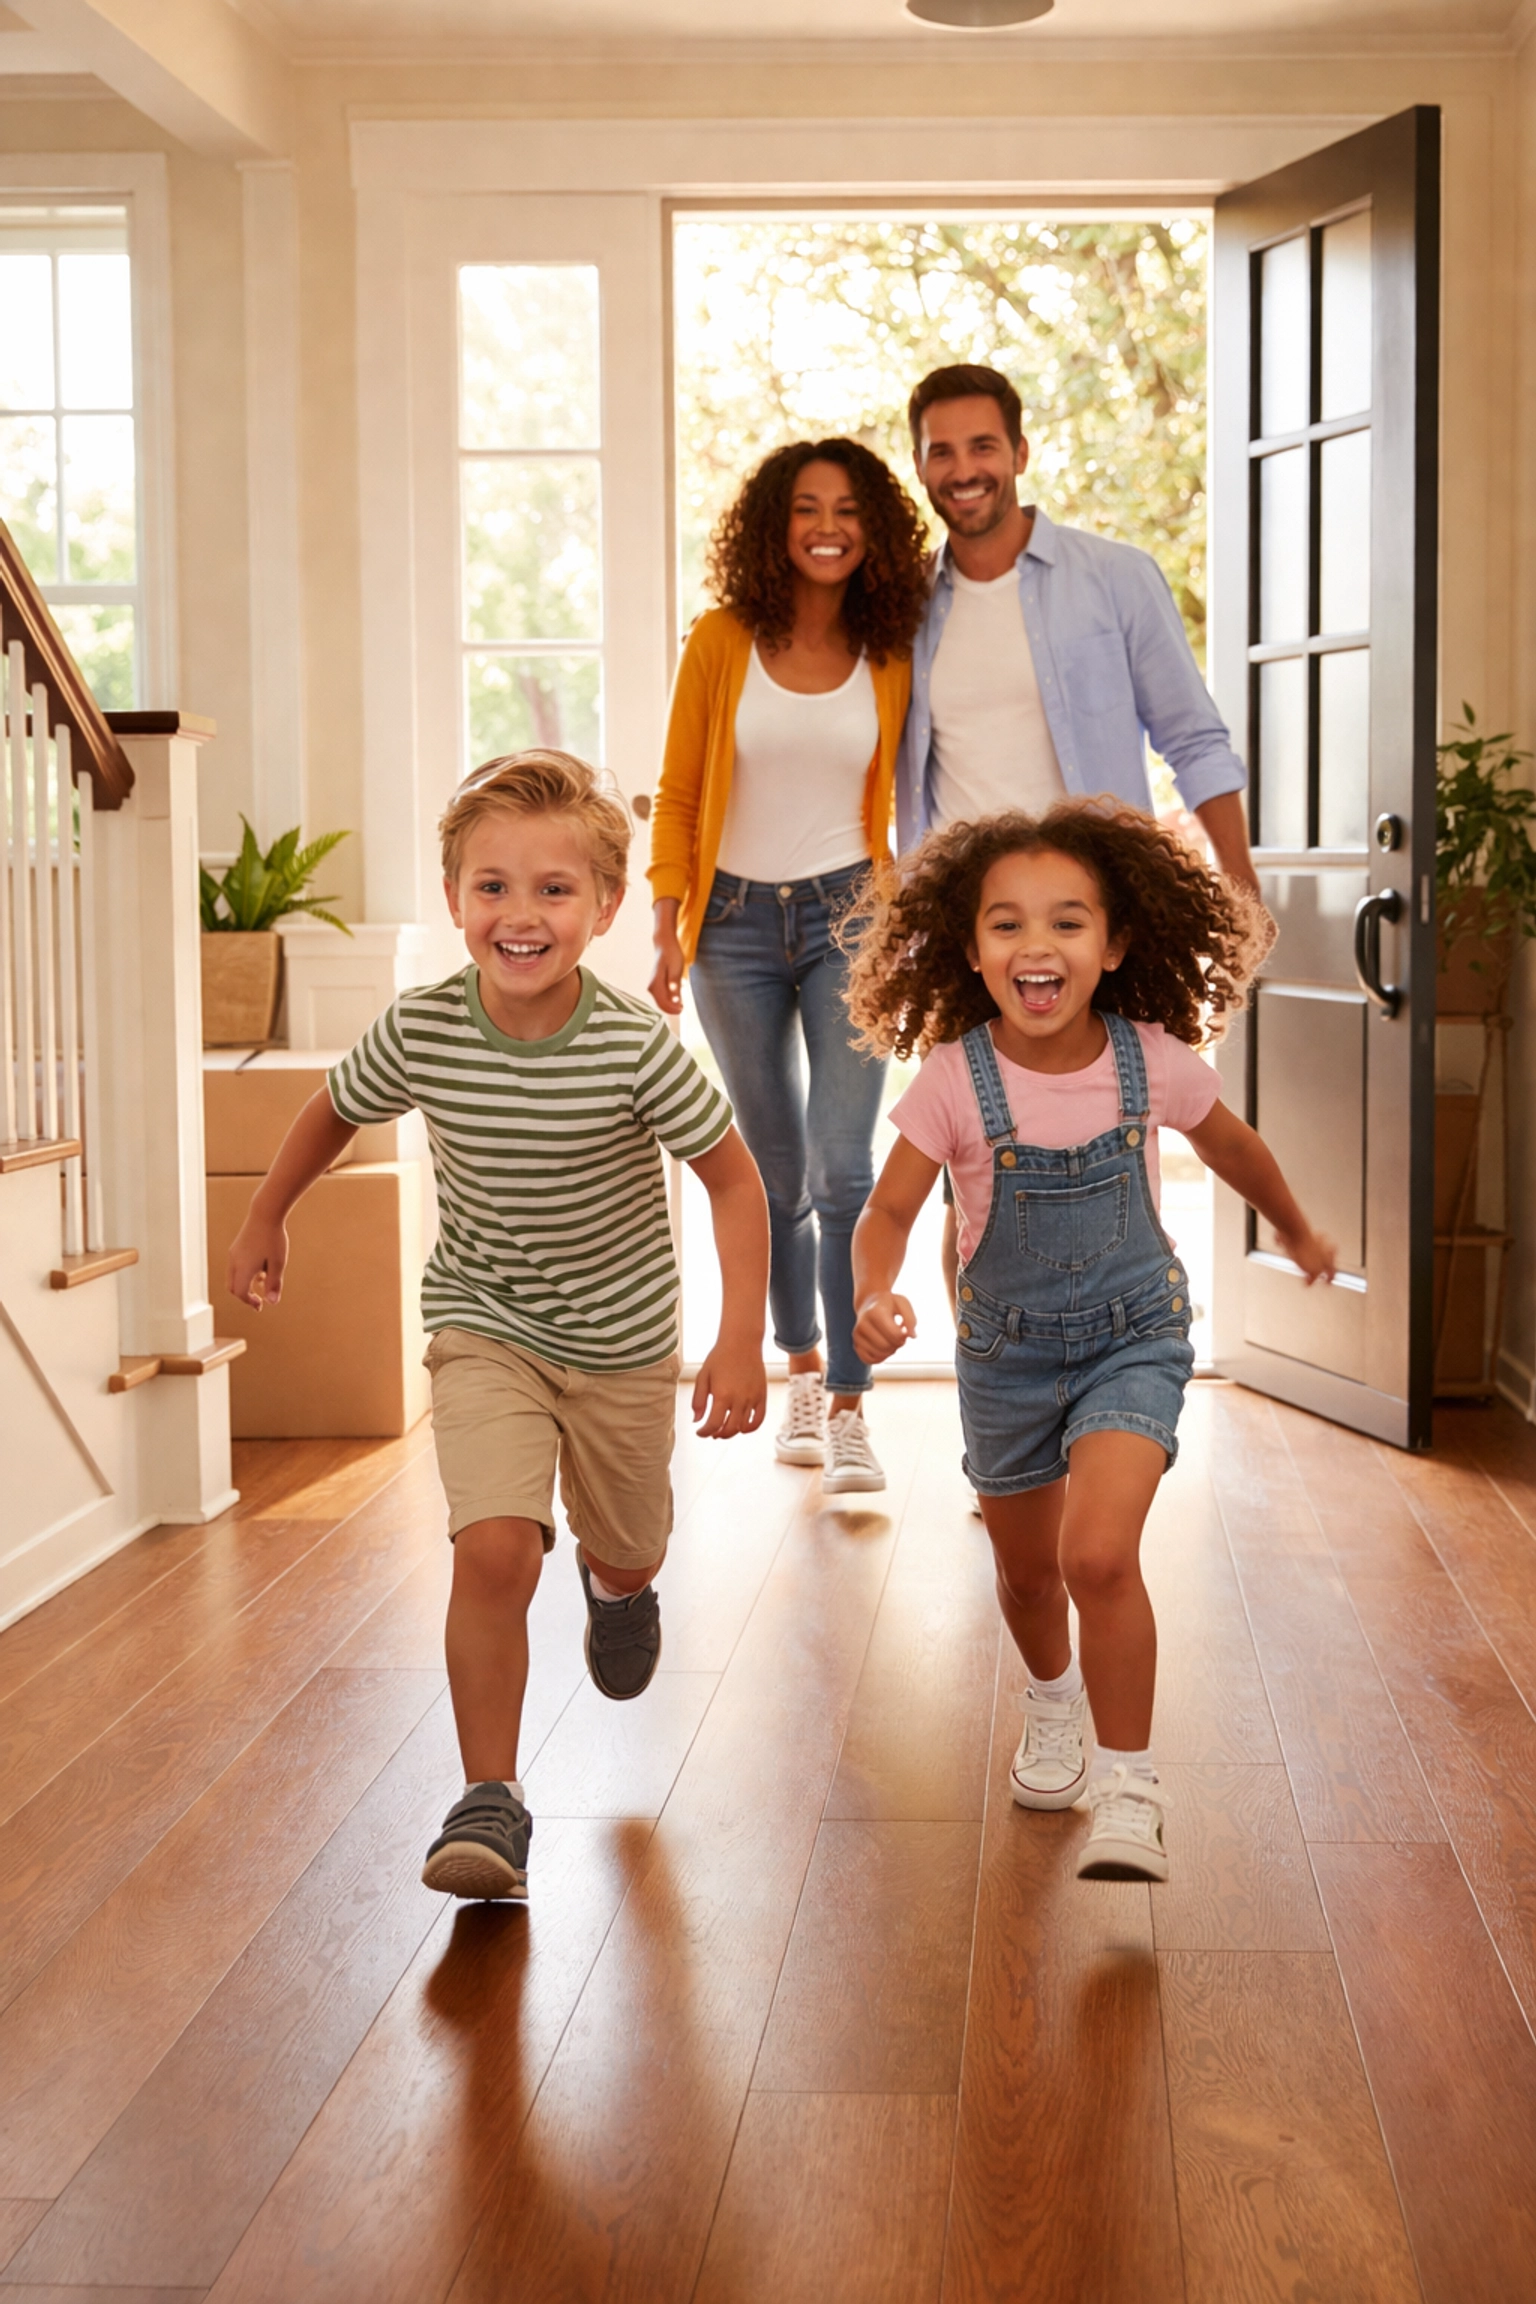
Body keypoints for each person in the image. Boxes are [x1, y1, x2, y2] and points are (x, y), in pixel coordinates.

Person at [227, 751, 769, 1904]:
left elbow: (733, 1180)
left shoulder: (634, 1046)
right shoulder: (425, 1028)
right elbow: (332, 1110)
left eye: (554, 890)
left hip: (621, 1345)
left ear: (605, 908)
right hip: (484, 1324)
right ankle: (490, 1797)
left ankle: (619, 1592)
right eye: (493, 887)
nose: (521, 915)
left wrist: (738, 1338)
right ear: (454, 898)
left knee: (626, 1545)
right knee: (494, 1549)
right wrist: (268, 1212)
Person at [842, 802, 1335, 1883]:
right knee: (1028, 1580)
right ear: (972, 950)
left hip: (1134, 1334)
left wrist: (1295, 1229)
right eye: (1007, 923)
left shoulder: (1149, 1060)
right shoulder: (952, 1078)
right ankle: (1052, 1695)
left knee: (1097, 1556)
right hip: (1006, 1357)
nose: (1038, 944)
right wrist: (874, 1292)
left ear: (1113, 946)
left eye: (1068, 922)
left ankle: (1129, 1789)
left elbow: (1235, 1148)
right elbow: (887, 1212)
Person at [900, 362, 1262, 1304]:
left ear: (1020, 452)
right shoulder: (902, 606)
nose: (964, 468)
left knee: (1119, 1151)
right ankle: (991, 1369)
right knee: (968, 1185)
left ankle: (1121, 1347)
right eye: (942, 451)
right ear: (921, 466)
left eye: (984, 445)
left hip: (1093, 917)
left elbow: (1194, 738)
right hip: (973, 930)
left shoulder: (1114, 578)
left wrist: (1241, 886)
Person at [648, 439, 928, 1494]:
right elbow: (680, 791)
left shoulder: (890, 648)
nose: (827, 527)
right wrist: (667, 924)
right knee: (773, 1175)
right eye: (807, 508)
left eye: (848, 510)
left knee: (842, 1169)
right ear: (775, 525)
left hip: (850, 918)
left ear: (874, 530)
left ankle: (851, 1406)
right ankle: (802, 1371)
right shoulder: (722, 640)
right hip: (728, 926)